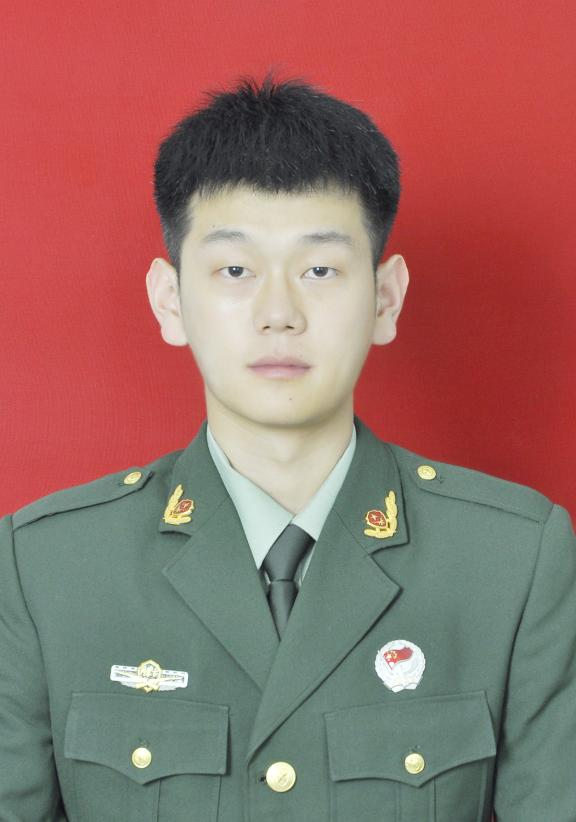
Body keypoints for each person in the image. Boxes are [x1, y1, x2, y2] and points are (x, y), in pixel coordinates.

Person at [1, 76, 575, 822]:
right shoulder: (48, 570)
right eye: (235, 271)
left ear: (386, 298)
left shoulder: (511, 562)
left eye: (320, 270)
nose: (279, 313)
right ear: (170, 300)